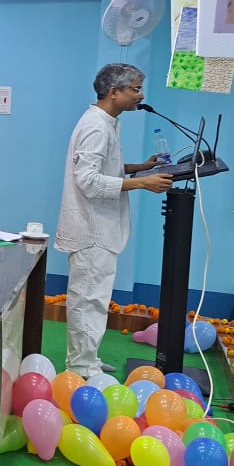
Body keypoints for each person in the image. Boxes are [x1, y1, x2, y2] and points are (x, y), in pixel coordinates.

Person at [55, 63, 173, 379]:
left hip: (101, 227)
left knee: (94, 299)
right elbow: (88, 180)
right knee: (87, 300)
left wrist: (139, 168)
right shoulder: (96, 126)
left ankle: (86, 359)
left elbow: (105, 169)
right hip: (91, 230)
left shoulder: (107, 122)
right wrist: (142, 183)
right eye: (135, 89)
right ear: (113, 92)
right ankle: (80, 368)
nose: (141, 95)